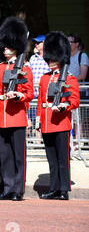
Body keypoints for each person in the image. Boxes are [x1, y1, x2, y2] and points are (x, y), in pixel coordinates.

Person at [0, 17, 34, 201]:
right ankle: (7, 188)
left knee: (18, 156)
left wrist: (18, 96)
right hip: (1, 117)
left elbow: (30, 93)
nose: (5, 49)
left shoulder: (25, 68)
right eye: (4, 46)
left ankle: (17, 189)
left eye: (8, 46)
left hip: (17, 116)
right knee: (5, 155)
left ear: (16, 47)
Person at [37, 31, 80, 200]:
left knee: (63, 158)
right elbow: (41, 101)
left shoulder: (69, 79)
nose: (50, 62)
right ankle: (54, 188)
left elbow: (75, 100)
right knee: (52, 159)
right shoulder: (44, 79)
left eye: (53, 59)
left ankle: (63, 190)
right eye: (49, 59)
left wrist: (63, 107)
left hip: (61, 122)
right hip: (47, 122)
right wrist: (40, 122)